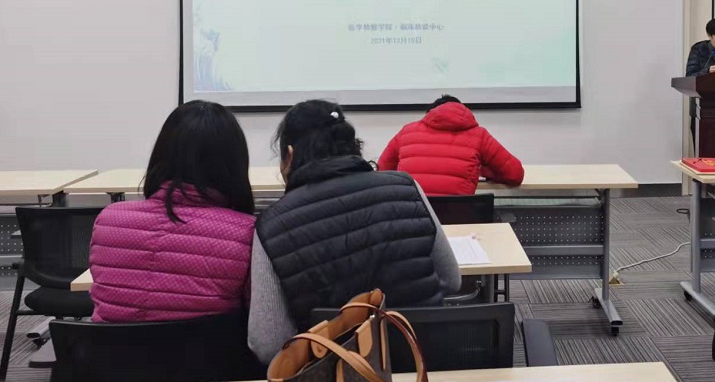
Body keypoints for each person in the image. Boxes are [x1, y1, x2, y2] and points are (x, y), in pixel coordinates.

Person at [249, 100, 461, 363]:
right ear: (351, 145)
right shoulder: (406, 187)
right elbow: (452, 280)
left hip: (332, 370)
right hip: (424, 362)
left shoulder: (272, 225)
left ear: (290, 155)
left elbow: (268, 343)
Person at [88, 100, 256, 322]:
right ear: (233, 162)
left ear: (161, 154)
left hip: (110, 345)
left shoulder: (109, 220)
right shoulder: (245, 232)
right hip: (206, 346)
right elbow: (257, 317)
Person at [377, 95, 524, 195]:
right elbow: (515, 174)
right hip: (459, 220)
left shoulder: (407, 131)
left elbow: (382, 171)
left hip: (413, 218)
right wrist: (482, 171)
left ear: (430, 113)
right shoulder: (479, 135)